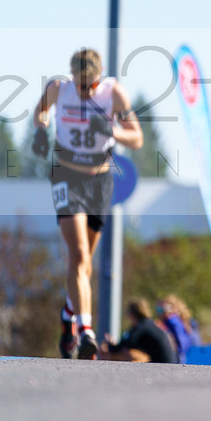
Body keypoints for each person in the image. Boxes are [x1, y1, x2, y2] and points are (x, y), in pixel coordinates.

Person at [32, 47, 144, 360]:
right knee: (78, 254)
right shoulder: (59, 89)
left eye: (90, 86)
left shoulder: (113, 94)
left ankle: (69, 314)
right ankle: (85, 331)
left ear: (99, 80)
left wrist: (112, 131)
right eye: (80, 85)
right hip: (66, 175)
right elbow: (40, 111)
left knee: (85, 265)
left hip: (99, 181)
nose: (84, 92)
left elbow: (137, 137)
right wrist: (41, 130)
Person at [100, 298, 178, 364]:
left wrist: (110, 345)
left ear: (132, 314)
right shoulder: (149, 324)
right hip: (171, 362)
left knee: (125, 353)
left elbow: (124, 345)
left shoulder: (140, 328)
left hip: (162, 364)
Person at [158, 294, 199, 364]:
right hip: (185, 355)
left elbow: (181, 342)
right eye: (159, 309)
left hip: (179, 356)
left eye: (163, 309)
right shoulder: (182, 321)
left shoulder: (172, 321)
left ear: (173, 309)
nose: (160, 312)